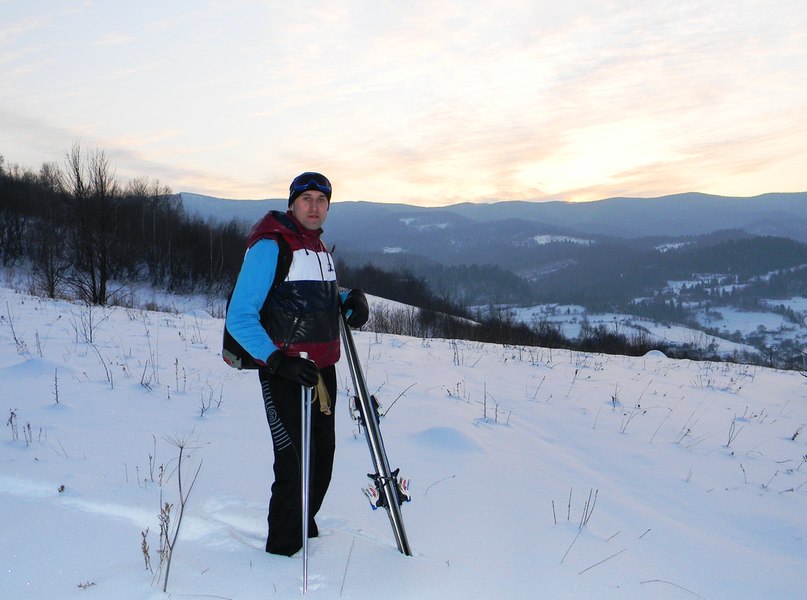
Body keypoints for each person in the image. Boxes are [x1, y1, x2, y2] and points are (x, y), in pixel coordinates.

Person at [225, 172, 369, 556]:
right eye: (306, 198)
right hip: (285, 372)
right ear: (291, 203)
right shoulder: (270, 246)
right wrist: (277, 362)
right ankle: (282, 553)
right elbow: (239, 316)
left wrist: (348, 300)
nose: (314, 206)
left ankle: (303, 525)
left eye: (321, 200)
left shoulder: (318, 249)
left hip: (322, 371)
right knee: (293, 463)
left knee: (322, 459)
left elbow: (310, 295)